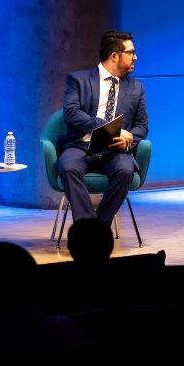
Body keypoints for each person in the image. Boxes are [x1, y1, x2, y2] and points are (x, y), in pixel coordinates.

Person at [57, 30, 149, 227]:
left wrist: (128, 139)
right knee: (67, 167)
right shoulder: (78, 80)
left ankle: (97, 229)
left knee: (125, 170)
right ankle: (89, 228)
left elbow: (142, 126)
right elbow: (71, 113)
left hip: (115, 150)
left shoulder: (137, 88)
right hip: (81, 146)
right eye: (131, 52)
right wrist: (108, 129)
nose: (135, 57)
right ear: (114, 56)